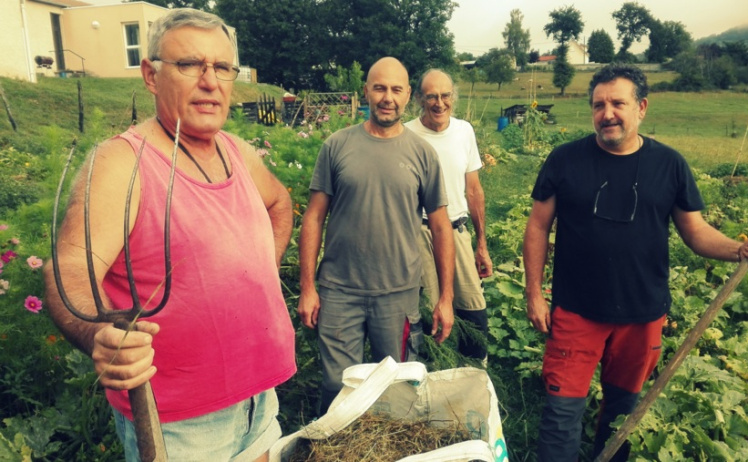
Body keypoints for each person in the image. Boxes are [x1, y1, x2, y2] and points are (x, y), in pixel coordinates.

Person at [43, 9, 295, 461]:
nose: (210, 81)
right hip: (179, 423)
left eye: (221, 67)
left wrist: (262, 270)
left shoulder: (236, 151)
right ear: (151, 74)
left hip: (259, 397)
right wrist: (97, 332)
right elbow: (69, 268)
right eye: (188, 65)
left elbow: (279, 204)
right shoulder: (123, 164)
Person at [523, 63, 748, 462]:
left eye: (617, 103)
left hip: (642, 315)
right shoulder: (565, 160)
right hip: (576, 311)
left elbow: (695, 231)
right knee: (561, 412)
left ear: (641, 107)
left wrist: (739, 249)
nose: (607, 113)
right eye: (598, 105)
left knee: (623, 412)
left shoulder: (669, 165)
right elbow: (537, 227)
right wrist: (534, 293)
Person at [297, 57, 455, 414]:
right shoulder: (337, 146)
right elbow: (313, 217)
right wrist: (308, 287)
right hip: (339, 293)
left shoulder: (422, 154)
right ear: (365, 91)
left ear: (408, 95)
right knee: (338, 390)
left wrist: (446, 297)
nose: (387, 97)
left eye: (396, 89)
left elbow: (441, 226)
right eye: (380, 88)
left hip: (398, 295)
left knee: (399, 392)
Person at [405, 69, 493, 362]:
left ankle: (475, 372)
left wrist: (481, 245)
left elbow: (474, 191)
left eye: (445, 96)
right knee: (431, 311)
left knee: (473, 309)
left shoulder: (464, 131)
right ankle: (433, 372)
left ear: (453, 97)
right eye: (431, 96)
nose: (439, 103)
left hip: (457, 230)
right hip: (421, 233)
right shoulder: (406, 135)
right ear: (419, 98)